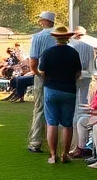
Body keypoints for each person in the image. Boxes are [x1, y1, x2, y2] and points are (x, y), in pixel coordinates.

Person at [37, 25, 83, 165]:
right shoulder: (73, 53)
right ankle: (65, 154)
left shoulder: (48, 52)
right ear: (68, 38)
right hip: (68, 90)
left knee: (52, 123)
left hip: (51, 89)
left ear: (55, 37)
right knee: (67, 124)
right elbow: (78, 73)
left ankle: (52, 155)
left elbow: (42, 71)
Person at [26, 12, 57, 153]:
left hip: (43, 75)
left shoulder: (38, 37)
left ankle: (36, 141)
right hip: (61, 76)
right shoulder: (62, 36)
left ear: (44, 21)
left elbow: (33, 63)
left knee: (39, 108)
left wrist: (38, 73)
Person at [69, 28, 97, 156]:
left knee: (75, 105)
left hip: (75, 76)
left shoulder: (71, 46)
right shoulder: (89, 47)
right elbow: (92, 65)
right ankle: (82, 140)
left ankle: (78, 138)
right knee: (83, 102)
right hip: (86, 75)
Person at [73, 68, 97, 155]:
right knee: (78, 119)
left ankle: (82, 148)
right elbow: (94, 104)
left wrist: (90, 110)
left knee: (80, 121)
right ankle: (81, 146)